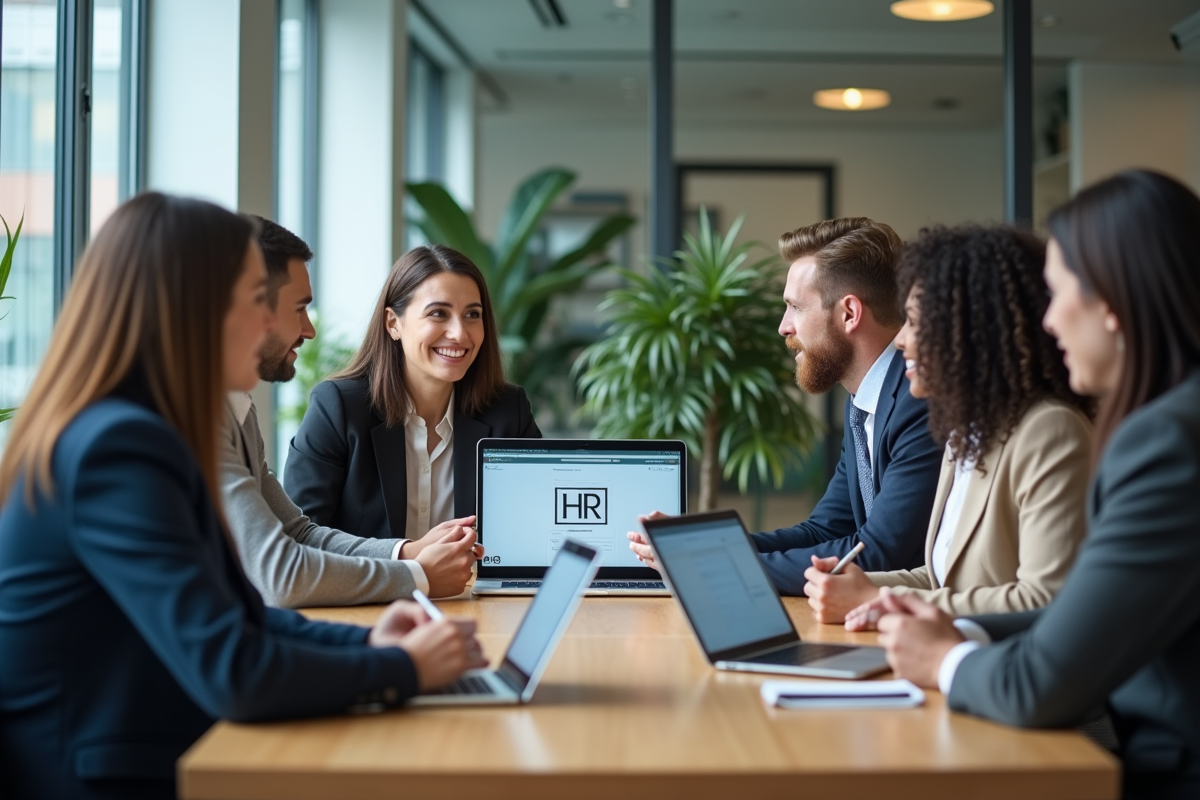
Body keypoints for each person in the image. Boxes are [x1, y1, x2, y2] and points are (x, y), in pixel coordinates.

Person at [0, 194, 486, 800]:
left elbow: (241, 616)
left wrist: (371, 639)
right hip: (108, 773)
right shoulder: (119, 447)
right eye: (260, 300)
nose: (276, 326)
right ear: (195, 308)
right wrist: (407, 666)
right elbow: (235, 668)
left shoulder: (141, 426)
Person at [873, 170, 1200, 800]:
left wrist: (943, 657)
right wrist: (948, 630)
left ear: (1112, 301)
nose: (1048, 321)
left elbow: (1040, 682)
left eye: (1058, 293)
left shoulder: (1163, 443)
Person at [628, 217, 943, 593]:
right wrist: (698, 545)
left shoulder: (919, 402)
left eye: (795, 307)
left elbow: (878, 554)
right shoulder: (863, 403)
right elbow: (825, 530)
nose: (784, 326)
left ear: (849, 314)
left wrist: (706, 566)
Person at [802, 225, 1093, 626]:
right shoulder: (965, 434)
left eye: (916, 322)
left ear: (974, 331)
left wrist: (878, 599)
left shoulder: (1049, 432)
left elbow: (1046, 598)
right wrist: (857, 586)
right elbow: (939, 578)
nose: (901, 339)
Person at [220, 218, 480, 607]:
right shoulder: (197, 417)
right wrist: (418, 576)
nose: (309, 330)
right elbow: (280, 575)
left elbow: (299, 533)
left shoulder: (237, 407)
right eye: (300, 308)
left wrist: (408, 554)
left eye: (473, 315)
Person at [284, 244, 541, 541]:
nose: (459, 333)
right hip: (372, 589)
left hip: (472, 589)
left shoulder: (509, 412)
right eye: (438, 314)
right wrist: (406, 561)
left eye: (472, 314)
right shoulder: (338, 408)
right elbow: (298, 541)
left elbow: (536, 530)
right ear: (393, 323)